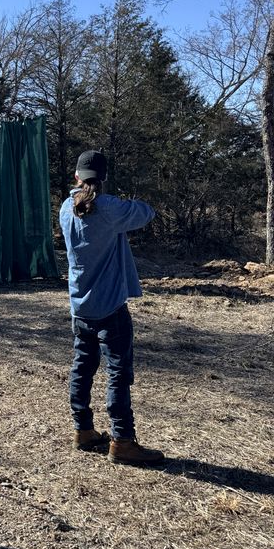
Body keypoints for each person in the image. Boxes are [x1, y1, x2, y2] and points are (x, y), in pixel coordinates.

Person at [59, 150, 165, 467]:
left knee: (83, 368)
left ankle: (84, 431)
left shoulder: (67, 207)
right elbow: (147, 213)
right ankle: (123, 441)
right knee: (118, 375)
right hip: (110, 309)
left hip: (80, 307)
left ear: (77, 177)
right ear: (102, 178)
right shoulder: (109, 207)